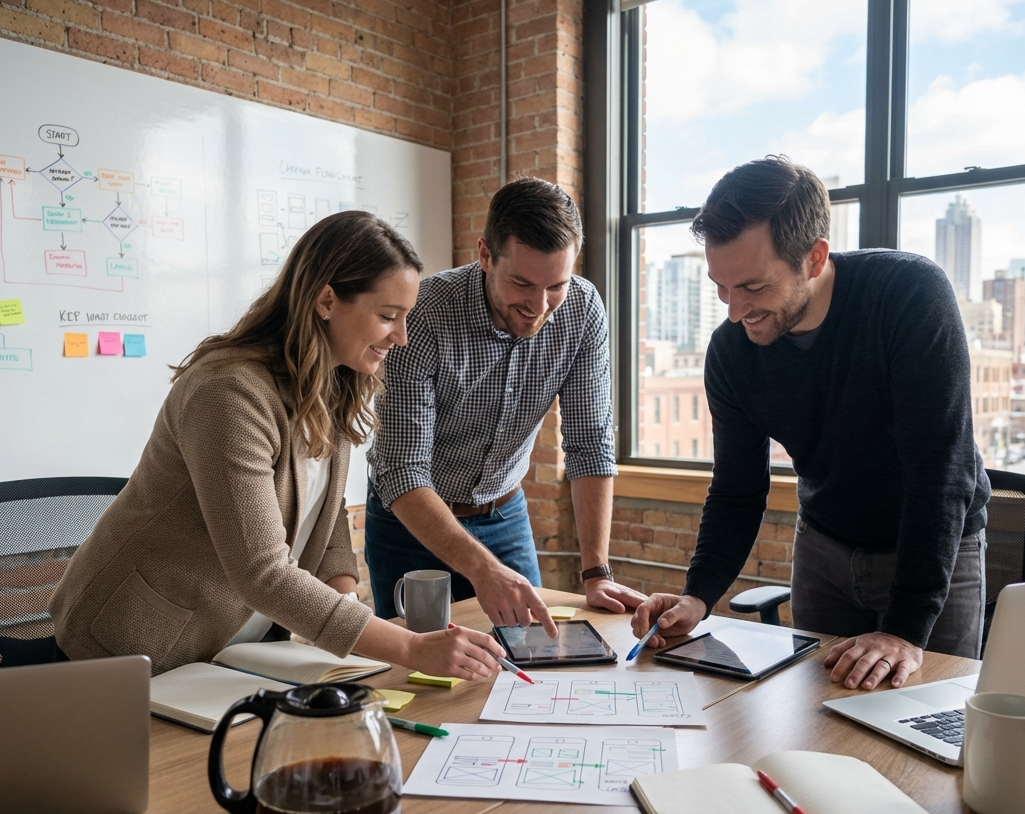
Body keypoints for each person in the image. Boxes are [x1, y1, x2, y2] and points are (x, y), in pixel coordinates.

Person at [50, 212, 505, 680]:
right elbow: (262, 572)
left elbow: (326, 517)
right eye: (388, 317)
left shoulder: (332, 382)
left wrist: (346, 607)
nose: (402, 337)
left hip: (235, 650)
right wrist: (409, 647)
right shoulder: (229, 393)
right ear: (326, 300)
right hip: (133, 645)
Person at [632, 156, 990, 690]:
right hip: (824, 549)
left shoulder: (909, 295)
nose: (735, 311)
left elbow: (940, 473)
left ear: (815, 258)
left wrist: (904, 630)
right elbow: (736, 489)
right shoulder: (732, 351)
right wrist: (698, 595)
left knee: (925, 714)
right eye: (721, 287)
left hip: (932, 551)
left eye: (753, 287)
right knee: (816, 719)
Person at [365, 177, 646, 633]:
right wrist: (482, 569)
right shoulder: (425, 314)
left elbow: (590, 442)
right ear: (485, 255)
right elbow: (402, 469)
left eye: (556, 285)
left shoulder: (581, 310)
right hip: (411, 521)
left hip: (504, 513)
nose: (539, 305)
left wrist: (596, 572)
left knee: (529, 655)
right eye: (521, 283)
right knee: (420, 663)